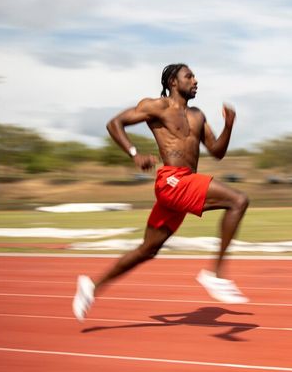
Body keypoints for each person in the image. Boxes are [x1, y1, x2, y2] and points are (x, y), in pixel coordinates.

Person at [73, 63, 250, 322]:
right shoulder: (156, 106)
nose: (195, 80)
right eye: (189, 76)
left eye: (195, 76)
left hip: (183, 185)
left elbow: (217, 152)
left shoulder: (198, 115)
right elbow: (114, 124)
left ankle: (92, 287)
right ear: (173, 82)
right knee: (238, 201)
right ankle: (216, 274)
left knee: (148, 249)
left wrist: (229, 126)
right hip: (171, 181)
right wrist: (134, 154)